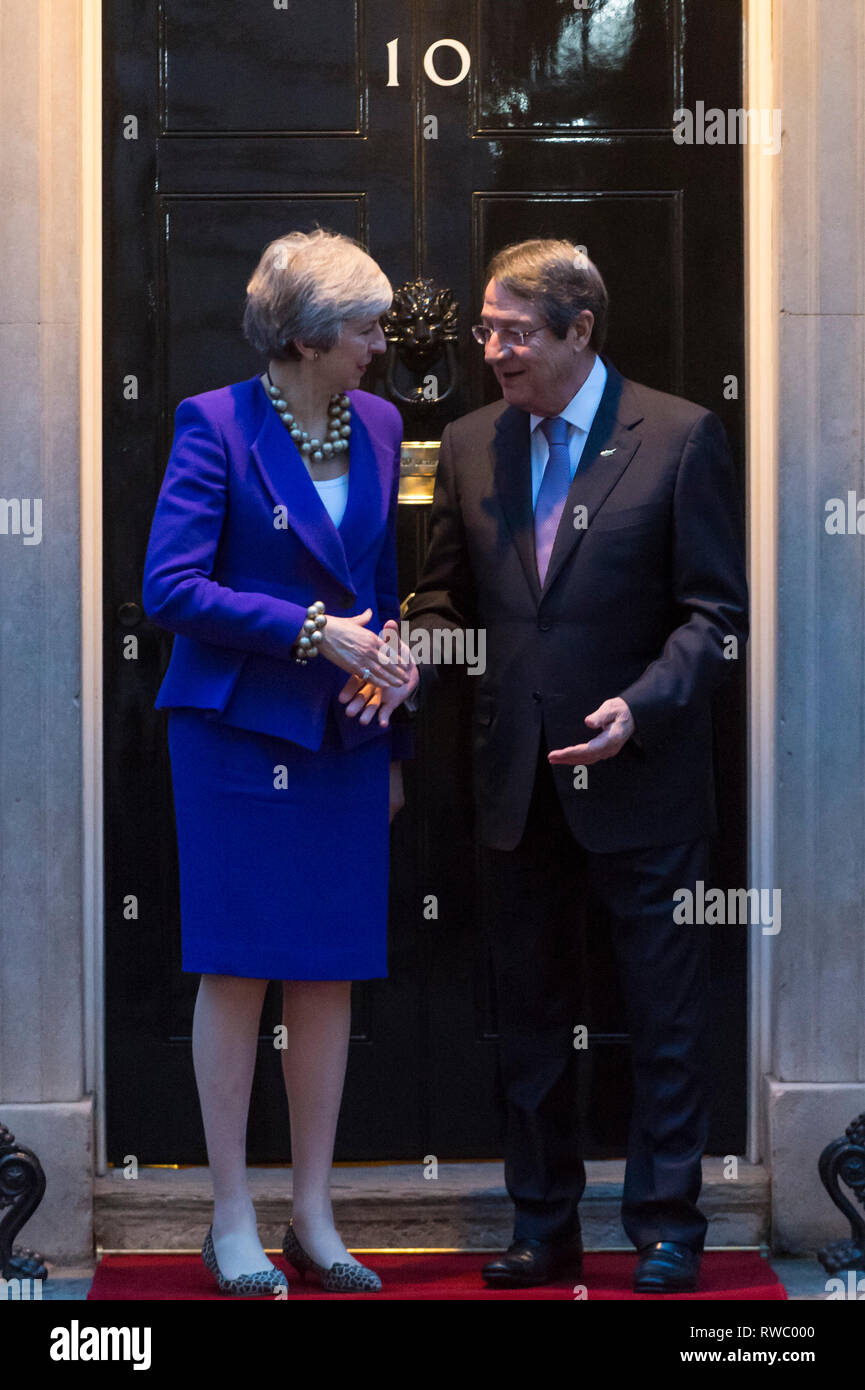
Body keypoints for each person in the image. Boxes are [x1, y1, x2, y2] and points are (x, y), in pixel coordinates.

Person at [352, 237, 749, 1292]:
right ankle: (544, 1224)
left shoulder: (678, 435)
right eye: (487, 327)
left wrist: (643, 705)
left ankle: (666, 1227)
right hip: (513, 784)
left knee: (664, 1021)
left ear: (581, 332)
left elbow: (714, 617)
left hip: (643, 781)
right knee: (527, 1025)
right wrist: (410, 660)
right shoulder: (476, 441)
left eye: (513, 331)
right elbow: (445, 599)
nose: (490, 350)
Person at [142, 228, 418, 1296]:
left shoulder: (384, 423)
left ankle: (312, 1210)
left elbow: (382, 585)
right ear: (306, 336)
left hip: (346, 733)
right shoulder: (214, 425)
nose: (380, 346)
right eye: (364, 328)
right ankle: (230, 1215)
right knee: (240, 961)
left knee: (329, 965)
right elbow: (171, 588)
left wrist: (392, 683)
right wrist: (312, 629)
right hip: (234, 732)